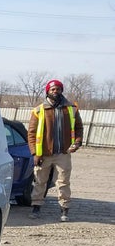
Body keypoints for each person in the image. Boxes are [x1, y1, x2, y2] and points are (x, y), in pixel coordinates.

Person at [27, 79, 83, 222]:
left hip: (63, 153)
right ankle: (36, 207)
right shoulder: (39, 110)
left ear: (61, 91)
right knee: (40, 181)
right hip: (43, 154)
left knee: (63, 182)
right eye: (52, 89)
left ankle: (64, 210)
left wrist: (77, 142)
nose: (55, 92)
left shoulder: (71, 109)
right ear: (47, 91)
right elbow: (32, 133)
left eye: (58, 89)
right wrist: (35, 153)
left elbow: (78, 128)